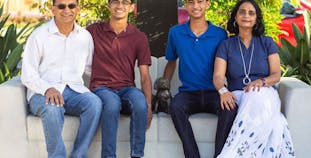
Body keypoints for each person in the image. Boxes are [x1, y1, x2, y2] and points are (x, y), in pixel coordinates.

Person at [213, 0, 295, 157]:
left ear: (256, 19)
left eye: (251, 13)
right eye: (242, 12)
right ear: (235, 17)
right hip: (238, 94)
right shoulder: (226, 45)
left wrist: (262, 82)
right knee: (276, 123)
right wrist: (223, 90)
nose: (246, 16)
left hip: (264, 93)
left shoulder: (266, 42)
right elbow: (218, 76)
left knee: (257, 95)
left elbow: (276, 74)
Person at [21, 0, 102, 157]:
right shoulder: (39, 36)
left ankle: (78, 155)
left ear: (77, 9)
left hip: (73, 91)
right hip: (41, 93)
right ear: (53, 10)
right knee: (52, 108)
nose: (67, 10)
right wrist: (47, 89)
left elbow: (90, 69)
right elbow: (28, 74)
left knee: (95, 103)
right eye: (61, 6)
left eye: (71, 6)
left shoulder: (85, 37)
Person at [162, 0, 237, 157]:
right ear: (185, 5)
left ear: (208, 4)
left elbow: (225, 65)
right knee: (175, 107)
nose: (195, 6)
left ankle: (220, 155)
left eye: (200, 1)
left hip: (214, 92)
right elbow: (171, 62)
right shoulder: (175, 33)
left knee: (231, 108)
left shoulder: (220, 34)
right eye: (191, 2)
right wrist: (164, 87)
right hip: (189, 93)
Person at [86, 0, 152, 158]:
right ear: (108, 5)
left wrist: (149, 105)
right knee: (112, 103)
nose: (120, 5)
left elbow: (144, 75)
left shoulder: (139, 37)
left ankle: (137, 154)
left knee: (140, 103)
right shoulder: (93, 31)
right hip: (101, 87)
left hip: (127, 88)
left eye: (125, 2)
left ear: (131, 7)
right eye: (115, 1)